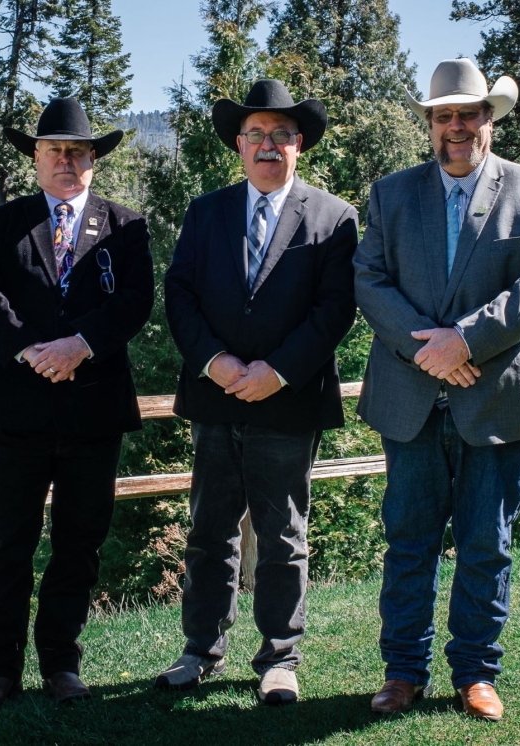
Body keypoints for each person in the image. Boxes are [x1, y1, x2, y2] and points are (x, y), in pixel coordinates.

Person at [354, 59, 520, 721]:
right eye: (442, 114)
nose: (455, 126)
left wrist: (463, 342)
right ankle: (402, 672)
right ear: (428, 123)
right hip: (410, 395)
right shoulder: (390, 194)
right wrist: (432, 348)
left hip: (496, 394)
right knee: (409, 541)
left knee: (486, 543)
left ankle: (476, 672)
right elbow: (368, 280)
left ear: (487, 119)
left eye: (466, 113)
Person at [158, 80, 358, 704]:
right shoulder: (206, 211)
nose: (267, 146)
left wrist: (276, 370)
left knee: (282, 536)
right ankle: (200, 651)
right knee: (208, 531)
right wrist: (215, 363)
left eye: (280, 135)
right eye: (255, 136)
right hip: (215, 398)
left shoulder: (333, 218)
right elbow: (180, 294)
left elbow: (334, 311)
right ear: (239, 146)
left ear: (299, 144)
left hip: (288, 401)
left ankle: (280, 657)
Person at [0, 97, 153, 707]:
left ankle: (61, 665)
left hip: (93, 410)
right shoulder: (4, 223)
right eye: (55, 151)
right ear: (36, 159)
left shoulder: (126, 226)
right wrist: (29, 351)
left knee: (79, 541)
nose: (66, 160)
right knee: (8, 541)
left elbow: (135, 302)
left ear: (94, 160)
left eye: (77, 152)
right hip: (20, 407)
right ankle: (0, 669)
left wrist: (80, 345)